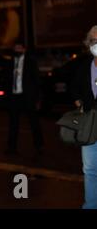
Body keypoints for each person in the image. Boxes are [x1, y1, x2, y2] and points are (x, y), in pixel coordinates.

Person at [70, 26, 97, 209]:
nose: (96, 44)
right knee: (89, 169)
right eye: (94, 41)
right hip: (89, 123)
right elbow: (74, 87)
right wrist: (78, 102)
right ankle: (90, 205)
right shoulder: (83, 65)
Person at [5, 41, 44, 156]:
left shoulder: (30, 62)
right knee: (13, 123)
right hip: (14, 96)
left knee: (33, 122)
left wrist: (38, 98)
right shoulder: (10, 62)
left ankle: (39, 145)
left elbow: (37, 80)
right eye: (15, 48)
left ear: (24, 49)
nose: (17, 50)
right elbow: (6, 79)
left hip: (27, 96)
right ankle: (11, 147)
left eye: (19, 48)